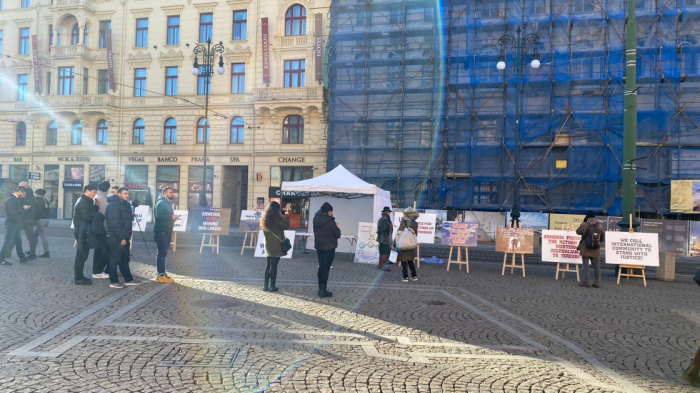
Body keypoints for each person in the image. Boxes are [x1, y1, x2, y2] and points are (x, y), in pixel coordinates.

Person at [105, 187, 138, 289]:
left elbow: (127, 220)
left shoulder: (126, 204)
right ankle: (113, 281)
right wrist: (121, 237)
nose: (127, 195)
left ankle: (128, 279)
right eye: (125, 193)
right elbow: (114, 223)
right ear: (118, 194)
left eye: (128, 193)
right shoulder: (113, 205)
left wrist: (134, 209)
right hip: (116, 237)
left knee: (125, 258)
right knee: (114, 259)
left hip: (125, 236)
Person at [261, 201, 290, 292]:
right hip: (276, 245)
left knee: (268, 265)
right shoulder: (277, 219)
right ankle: (272, 286)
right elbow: (286, 226)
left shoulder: (265, 218)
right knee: (274, 266)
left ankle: (265, 286)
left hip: (268, 244)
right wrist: (287, 216)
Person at [73, 184, 99, 285]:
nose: (95, 194)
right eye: (93, 192)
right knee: (81, 255)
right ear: (87, 191)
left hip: (84, 231)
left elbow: (90, 213)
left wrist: (95, 207)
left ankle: (79, 276)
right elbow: (87, 217)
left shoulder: (87, 201)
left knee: (83, 255)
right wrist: (98, 216)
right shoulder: (83, 202)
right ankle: (78, 278)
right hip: (82, 232)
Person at [313, 202, 341, 298]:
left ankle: (320, 288)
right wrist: (337, 227)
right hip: (329, 247)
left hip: (319, 246)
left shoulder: (315, 220)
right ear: (329, 211)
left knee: (321, 266)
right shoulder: (330, 222)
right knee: (326, 268)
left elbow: (315, 232)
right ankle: (323, 291)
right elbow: (337, 234)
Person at [153, 187, 178, 283]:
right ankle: (161, 274)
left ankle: (162, 273)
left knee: (163, 253)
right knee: (161, 253)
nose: (172, 194)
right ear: (164, 194)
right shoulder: (161, 203)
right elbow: (159, 215)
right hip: (162, 231)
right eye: (170, 192)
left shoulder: (166, 203)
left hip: (165, 231)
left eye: (173, 192)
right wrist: (171, 217)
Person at [0, 186, 30, 265]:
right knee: (8, 241)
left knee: (18, 241)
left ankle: (22, 257)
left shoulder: (15, 199)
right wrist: (23, 208)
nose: (24, 196)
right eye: (23, 194)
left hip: (15, 223)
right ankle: (1, 259)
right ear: (19, 192)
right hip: (11, 223)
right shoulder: (11, 199)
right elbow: (11, 212)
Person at [576, 211, 605, 288]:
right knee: (597, 267)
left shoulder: (584, 224)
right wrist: (596, 244)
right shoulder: (599, 225)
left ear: (587, 217)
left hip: (586, 249)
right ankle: (597, 282)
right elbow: (603, 237)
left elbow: (577, 232)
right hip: (596, 250)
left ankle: (585, 282)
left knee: (585, 266)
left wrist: (583, 222)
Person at [91, 181, 111, 279]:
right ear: (107, 189)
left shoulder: (96, 196)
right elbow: (105, 215)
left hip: (95, 227)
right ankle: (97, 271)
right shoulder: (103, 199)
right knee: (104, 250)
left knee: (98, 250)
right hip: (101, 228)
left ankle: (96, 270)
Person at [396, 207, 419, 282]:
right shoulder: (415, 223)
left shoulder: (403, 221)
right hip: (411, 244)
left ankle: (405, 277)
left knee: (404, 261)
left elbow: (399, 232)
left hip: (403, 244)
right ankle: (414, 276)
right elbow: (415, 234)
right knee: (410, 261)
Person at [17, 182, 37, 261]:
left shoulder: (22, 194)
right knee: (30, 237)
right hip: (30, 219)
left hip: (22, 219)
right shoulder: (32, 195)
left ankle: (8, 252)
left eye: (19, 186)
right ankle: (33, 253)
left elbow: (19, 205)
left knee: (13, 235)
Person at [33, 189, 51, 258]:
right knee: (34, 235)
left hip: (40, 220)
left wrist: (34, 220)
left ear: (37, 194)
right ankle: (32, 250)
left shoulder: (37, 201)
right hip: (46, 220)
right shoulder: (45, 201)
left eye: (35, 193)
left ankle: (46, 252)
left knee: (43, 237)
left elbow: (37, 212)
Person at [376, 206, 393, 272]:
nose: (390, 214)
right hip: (385, 239)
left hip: (381, 238)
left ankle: (380, 265)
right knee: (386, 252)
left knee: (382, 252)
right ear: (387, 212)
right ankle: (383, 266)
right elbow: (384, 229)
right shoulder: (386, 219)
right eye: (389, 212)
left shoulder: (381, 218)